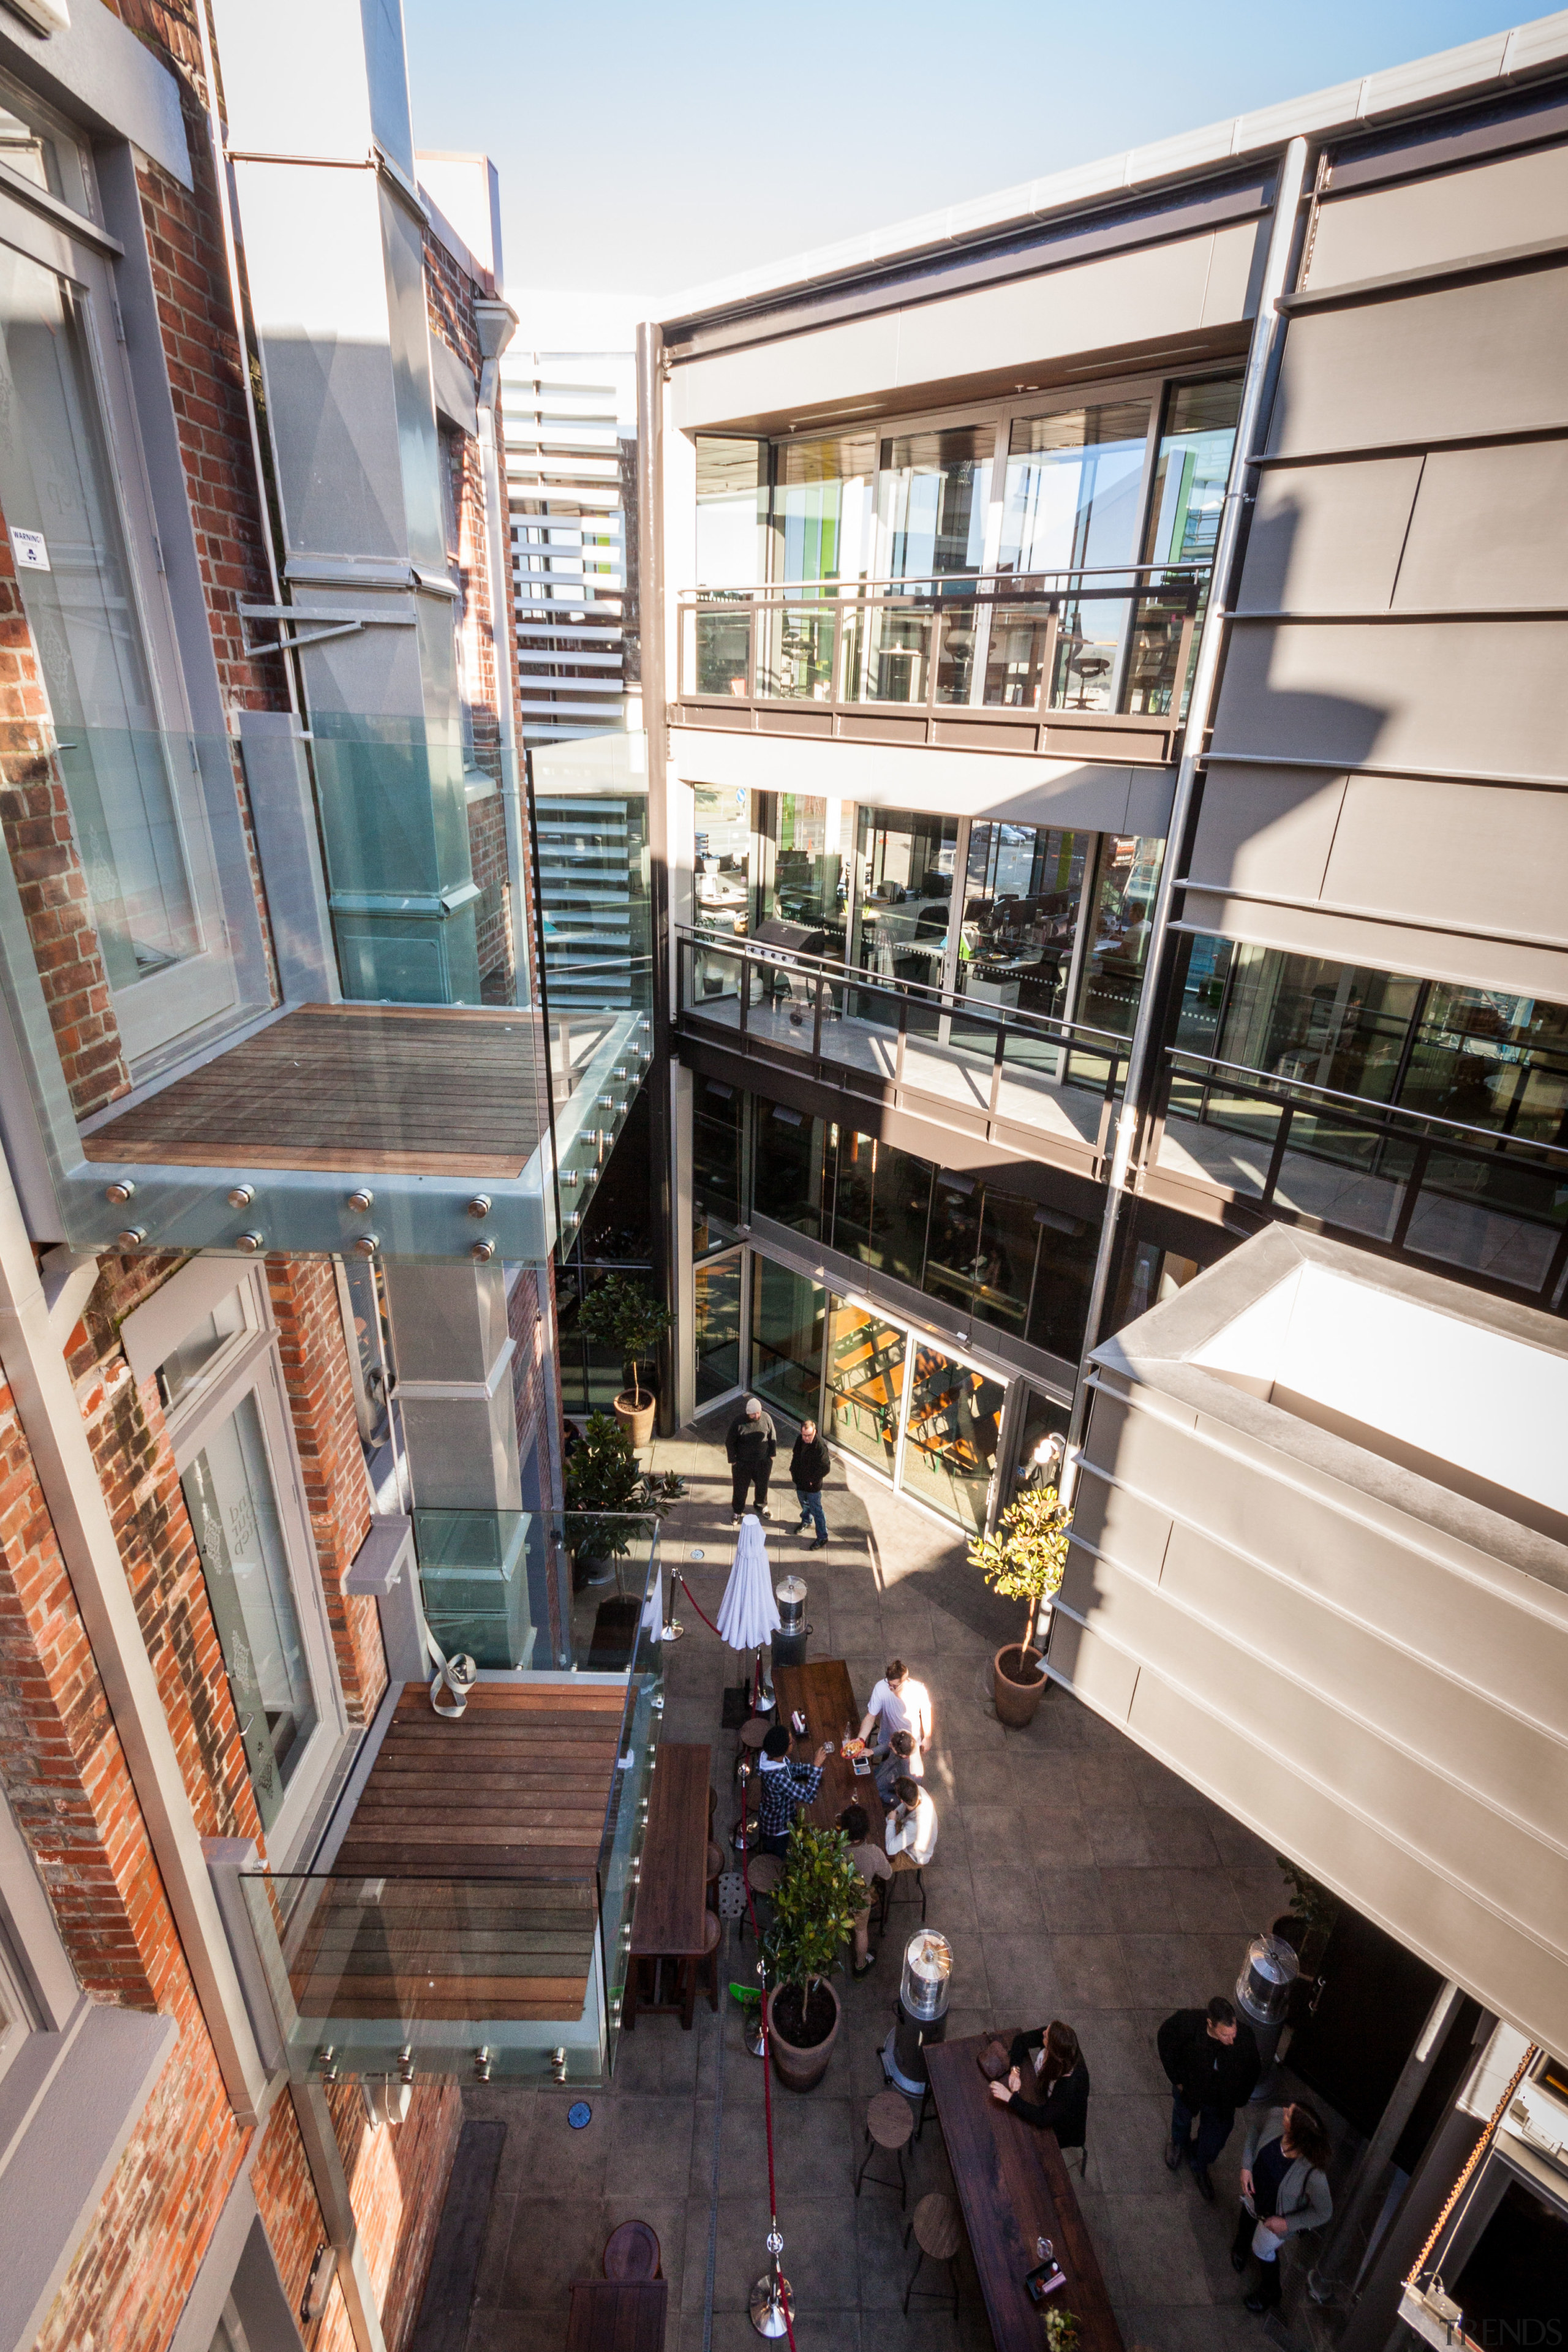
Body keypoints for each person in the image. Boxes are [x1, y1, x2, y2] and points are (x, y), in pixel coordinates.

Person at [1158, 1995, 1261, 2201]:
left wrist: (1239, 2099)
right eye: (1225, 2035)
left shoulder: (1245, 2038)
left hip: (1222, 2101)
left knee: (1213, 2142)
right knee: (1181, 2119)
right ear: (1211, 2025)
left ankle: (1199, 2162)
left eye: (1233, 2033)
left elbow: (1254, 2070)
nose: (1231, 2040)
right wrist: (1177, 2079)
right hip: (1191, 2091)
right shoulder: (1188, 2024)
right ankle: (1178, 2143)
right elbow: (1165, 2038)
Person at [1232, 2102, 1333, 2314]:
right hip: (1254, 2198)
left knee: (1262, 2249)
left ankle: (1271, 2291)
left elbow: (1324, 2211)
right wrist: (1246, 2165)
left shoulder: (1313, 2173)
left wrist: (1287, 2223)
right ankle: (1240, 2247)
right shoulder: (1275, 2116)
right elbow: (1254, 2130)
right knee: (1247, 2218)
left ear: (1296, 2134)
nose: (1284, 2111)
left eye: (1289, 2115)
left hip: (1274, 2220)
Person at [988, 2019, 1090, 2154]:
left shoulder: (1071, 2085)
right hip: (1044, 2097)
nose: (1043, 2033)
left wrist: (1010, 2098)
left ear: (1053, 2052)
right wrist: (1015, 2072)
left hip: (1061, 2128)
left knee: (1019, 2143)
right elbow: (1021, 2040)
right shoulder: (1055, 2036)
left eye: (1046, 2035)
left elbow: (1043, 2118)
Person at [754, 1722, 831, 1856]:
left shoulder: (772, 1757)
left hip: (769, 1814)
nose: (793, 1742)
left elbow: (790, 1769)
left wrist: (812, 1768)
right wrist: (817, 1768)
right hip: (777, 1827)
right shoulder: (778, 1778)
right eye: (790, 1742)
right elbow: (809, 1796)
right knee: (778, 1855)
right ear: (782, 1750)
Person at [839, 1802, 891, 1978]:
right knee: (861, 1931)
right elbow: (887, 1874)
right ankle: (860, 1966)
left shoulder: (838, 1849)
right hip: (860, 1900)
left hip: (839, 1896)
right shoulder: (873, 1853)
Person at [859, 1659, 932, 1779]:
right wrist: (860, 1740)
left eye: (894, 1686)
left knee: (909, 1775)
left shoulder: (919, 1690)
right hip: (888, 1738)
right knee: (886, 1767)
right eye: (888, 1683)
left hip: (910, 1743)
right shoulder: (881, 1688)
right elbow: (870, 1716)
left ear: (905, 1681)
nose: (890, 1688)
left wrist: (928, 1737)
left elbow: (926, 1710)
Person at [726, 1396, 777, 1521]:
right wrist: (733, 1461)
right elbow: (730, 1441)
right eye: (753, 1414)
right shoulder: (739, 1422)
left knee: (762, 1487)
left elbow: (772, 1437)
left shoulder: (766, 1418)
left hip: (762, 1462)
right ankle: (737, 1511)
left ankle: (761, 1506)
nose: (756, 1416)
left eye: (758, 1412)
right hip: (743, 1463)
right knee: (740, 1489)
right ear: (748, 1413)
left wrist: (771, 1456)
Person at [790, 1418, 832, 1548]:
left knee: (816, 1510)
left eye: (809, 1435)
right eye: (804, 1435)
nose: (806, 1438)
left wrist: (813, 1481)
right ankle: (806, 1521)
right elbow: (795, 1456)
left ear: (815, 1432)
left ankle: (822, 1536)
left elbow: (826, 1467)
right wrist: (794, 1472)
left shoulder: (820, 1446)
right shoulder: (800, 1440)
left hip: (812, 1486)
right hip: (800, 1481)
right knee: (804, 1504)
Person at [884, 1776, 938, 1871]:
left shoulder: (915, 1826)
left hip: (914, 1857)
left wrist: (891, 1822)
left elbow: (890, 1849)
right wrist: (891, 1820)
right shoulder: (919, 1791)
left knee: (882, 1866)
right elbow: (903, 1809)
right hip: (910, 1830)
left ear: (901, 1800)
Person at [874, 1728, 916, 1804]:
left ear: (902, 1755)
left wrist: (880, 1795)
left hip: (881, 1793)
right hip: (878, 1773)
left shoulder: (910, 1775)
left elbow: (902, 1802)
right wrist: (872, 1752)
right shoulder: (903, 1739)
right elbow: (887, 1746)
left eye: (892, 1747)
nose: (889, 1744)